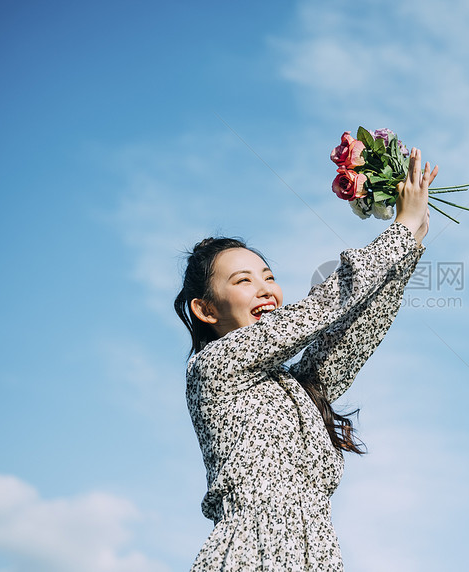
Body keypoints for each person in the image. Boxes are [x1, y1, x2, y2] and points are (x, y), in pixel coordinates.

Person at [174, 149, 437, 571]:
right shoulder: (213, 368)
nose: (266, 290)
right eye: (244, 281)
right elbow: (321, 308)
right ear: (206, 310)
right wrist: (399, 234)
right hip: (251, 558)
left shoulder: (296, 387)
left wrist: (409, 247)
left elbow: (355, 333)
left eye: (269, 277)